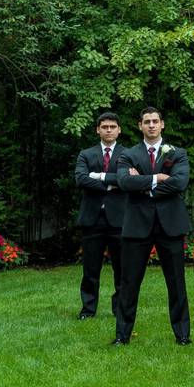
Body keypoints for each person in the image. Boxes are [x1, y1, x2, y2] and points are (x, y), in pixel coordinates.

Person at [114, 107, 192, 345]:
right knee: (129, 283)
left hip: (170, 224)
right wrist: (157, 178)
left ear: (162, 124)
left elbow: (180, 183)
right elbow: (124, 181)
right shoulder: (128, 154)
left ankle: (183, 335)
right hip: (137, 225)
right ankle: (122, 336)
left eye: (155, 121)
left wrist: (142, 183)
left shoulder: (177, 153)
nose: (151, 125)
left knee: (176, 282)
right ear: (140, 125)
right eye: (146, 122)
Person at [73, 111, 126, 320]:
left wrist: (101, 177)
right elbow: (80, 180)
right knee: (90, 270)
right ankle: (88, 309)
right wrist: (112, 184)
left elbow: (128, 180)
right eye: (105, 127)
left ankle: (120, 308)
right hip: (92, 219)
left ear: (119, 130)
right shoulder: (86, 154)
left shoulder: (127, 154)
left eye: (113, 127)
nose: (109, 130)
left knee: (121, 269)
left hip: (120, 219)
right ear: (98, 130)